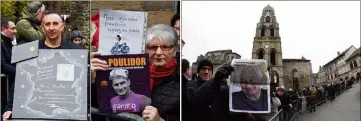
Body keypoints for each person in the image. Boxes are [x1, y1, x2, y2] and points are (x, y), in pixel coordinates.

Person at [2, 13, 83, 120]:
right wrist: (9, 107)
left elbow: (81, 83)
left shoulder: (75, 52)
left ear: (62, 26)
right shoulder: (29, 50)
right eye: (47, 24)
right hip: (34, 110)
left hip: (65, 110)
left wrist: (83, 110)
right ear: (43, 27)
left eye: (55, 24)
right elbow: (20, 80)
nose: (51, 28)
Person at [91, 24, 180, 121]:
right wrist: (92, 78)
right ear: (146, 49)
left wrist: (159, 120)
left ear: (174, 50)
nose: (158, 52)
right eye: (153, 47)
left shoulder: (181, 83)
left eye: (165, 47)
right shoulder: (132, 72)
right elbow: (95, 105)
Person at [1, 19, 17, 119]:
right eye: (12, 28)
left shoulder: (9, 42)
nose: (15, 31)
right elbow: (2, 65)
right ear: (3, 29)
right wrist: (20, 71)